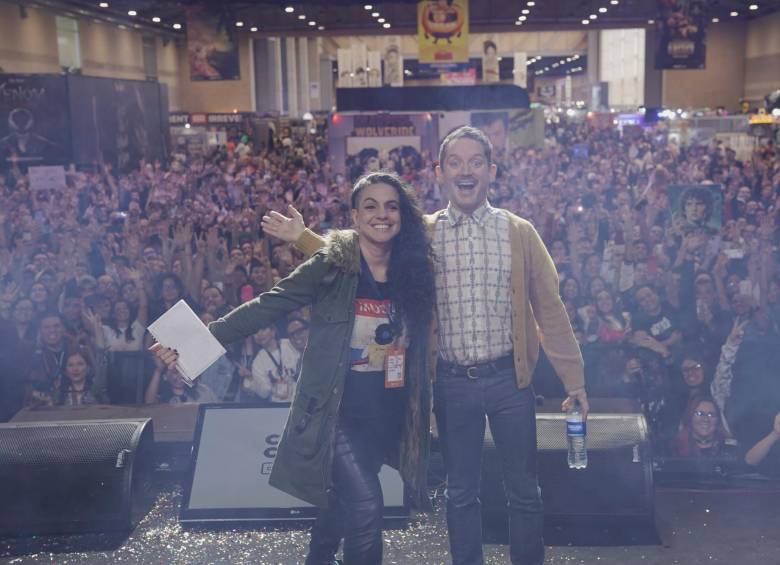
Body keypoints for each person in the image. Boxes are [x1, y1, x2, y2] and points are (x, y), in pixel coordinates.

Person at [263, 126, 588, 565]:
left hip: (511, 382)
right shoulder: (424, 235)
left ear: (491, 171)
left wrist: (575, 380)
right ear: (440, 172)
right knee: (460, 494)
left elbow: (550, 308)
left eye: (476, 162)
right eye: (455, 162)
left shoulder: (520, 232)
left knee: (525, 492)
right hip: (451, 384)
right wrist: (304, 239)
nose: (466, 170)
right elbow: (362, 262)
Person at [152, 172, 435, 565]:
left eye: (392, 206)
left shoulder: (414, 269)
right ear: (354, 215)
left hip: (387, 414)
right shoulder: (330, 265)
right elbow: (268, 305)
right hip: (335, 415)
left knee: (342, 499)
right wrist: (191, 344)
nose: (382, 214)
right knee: (368, 505)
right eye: (371, 205)